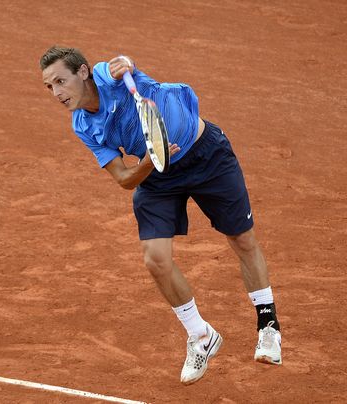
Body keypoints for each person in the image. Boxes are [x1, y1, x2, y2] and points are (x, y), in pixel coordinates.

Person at [39, 46, 283, 385]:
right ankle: (201, 336)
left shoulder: (106, 76)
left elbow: (119, 67)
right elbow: (125, 179)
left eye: (60, 82)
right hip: (157, 172)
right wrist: (152, 162)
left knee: (242, 239)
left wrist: (124, 65)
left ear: (82, 73)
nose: (56, 93)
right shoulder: (83, 125)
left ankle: (268, 325)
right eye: (49, 87)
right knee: (155, 259)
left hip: (206, 155)